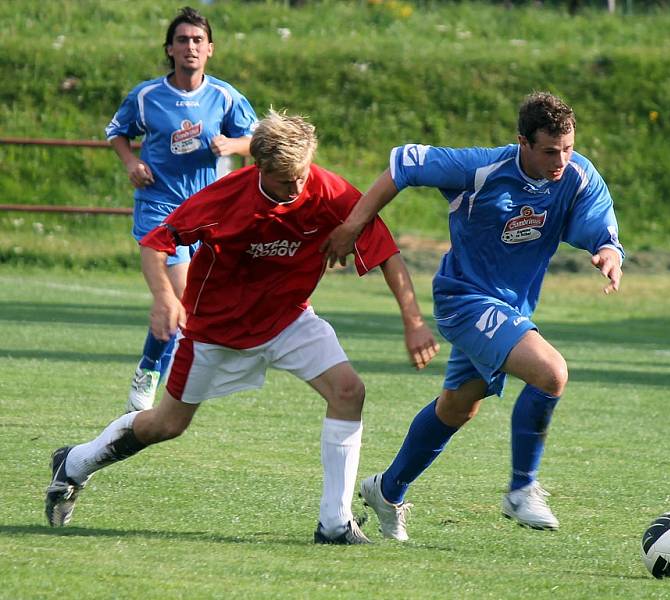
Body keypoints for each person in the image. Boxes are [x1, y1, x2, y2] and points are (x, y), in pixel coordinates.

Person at [45, 110, 440, 544]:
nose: (298, 188)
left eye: (303, 175)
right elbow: (156, 244)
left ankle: (334, 523)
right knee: (167, 424)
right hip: (216, 332)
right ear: (259, 168)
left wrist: (415, 322)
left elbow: (386, 253)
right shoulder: (224, 199)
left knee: (349, 391)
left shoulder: (328, 191)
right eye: (287, 180)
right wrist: (164, 298)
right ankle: (76, 462)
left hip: (289, 318)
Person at [323, 91, 623, 540]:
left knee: (458, 408)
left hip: (511, 308)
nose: (561, 159)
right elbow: (405, 164)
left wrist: (608, 250)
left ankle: (387, 490)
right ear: (522, 142)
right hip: (465, 299)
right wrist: (353, 224)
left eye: (568, 147)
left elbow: (599, 221)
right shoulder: (481, 168)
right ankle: (521, 490)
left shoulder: (576, 176)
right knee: (552, 374)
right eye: (549, 150)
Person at [106, 6, 258, 412]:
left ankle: (156, 365)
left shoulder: (224, 96)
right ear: (169, 49)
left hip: (208, 212)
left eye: (197, 40)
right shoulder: (147, 96)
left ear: (210, 49)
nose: (190, 47)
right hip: (160, 208)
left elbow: (256, 139)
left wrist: (233, 145)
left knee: (194, 305)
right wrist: (131, 163)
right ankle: (154, 374)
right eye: (182, 40)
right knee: (182, 297)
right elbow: (118, 132)